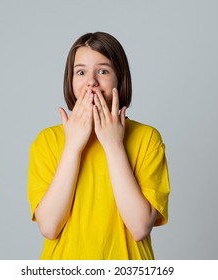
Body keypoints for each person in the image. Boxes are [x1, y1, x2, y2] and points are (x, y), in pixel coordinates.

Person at [27, 32, 170, 260]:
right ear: (70, 80)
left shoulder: (146, 138)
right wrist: (73, 147)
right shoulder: (47, 141)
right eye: (81, 72)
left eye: (103, 71)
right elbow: (49, 226)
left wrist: (114, 146)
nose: (91, 81)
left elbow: (140, 227)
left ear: (119, 79)